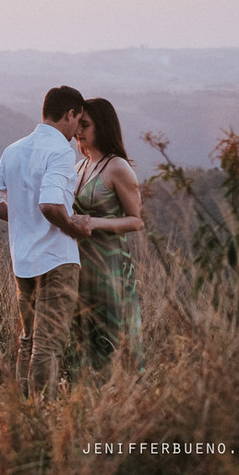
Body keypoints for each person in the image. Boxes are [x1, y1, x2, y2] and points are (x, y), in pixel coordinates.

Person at [0, 86, 92, 399]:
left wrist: (21, 218)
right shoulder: (60, 151)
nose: (77, 131)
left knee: (28, 341)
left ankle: (26, 413)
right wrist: (74, 226)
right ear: (69, 113)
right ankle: (43, 416)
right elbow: (51, 205)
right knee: (48, 347)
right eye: (78, 120)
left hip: (24, 260)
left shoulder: (13, 149)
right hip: (57, 258)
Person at [72, 97, 145, 371]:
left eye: (86, 125)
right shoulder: (79, 167)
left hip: (110, 267)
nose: (79, 131)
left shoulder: (118, 167)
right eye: (78, 124)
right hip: (81, 266)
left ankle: (124, 396)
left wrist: (94, 223)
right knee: (84, 339)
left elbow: (137, 221)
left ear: (101, 126)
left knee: (113, 336)